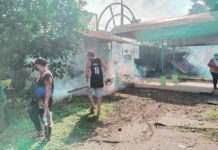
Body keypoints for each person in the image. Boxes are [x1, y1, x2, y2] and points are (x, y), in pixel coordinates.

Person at [29, 57, 54, 141]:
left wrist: (46, 101)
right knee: (34, 114)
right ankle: (40, 132)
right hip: (39, 100)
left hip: (45, 100)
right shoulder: (42, 73)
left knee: (46, 118)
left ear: (40, 64)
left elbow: (48, 88)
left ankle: (47, 136)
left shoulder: (47, 74)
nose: (36, 67)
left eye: (37, 65)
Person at [86, 50, 108, 116]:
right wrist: (101, 74)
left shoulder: (88, 63)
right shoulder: (99, 60)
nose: (87, 57)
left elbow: (86, 74)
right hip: (99, 81)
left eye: (88, 56)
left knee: (89, 94)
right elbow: (106, 68)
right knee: (99, 97)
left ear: (89, 56)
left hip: (92, 81)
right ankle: (98, 111)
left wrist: (87, 81)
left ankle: (93, 105)